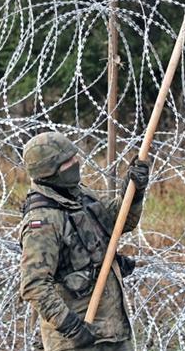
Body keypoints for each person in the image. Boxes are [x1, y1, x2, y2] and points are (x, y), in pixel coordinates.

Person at [19, 132, 149, 350]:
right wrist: (71, 327)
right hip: (79, 339)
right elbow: (34, 284)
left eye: (74, 157)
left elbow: (119, 222)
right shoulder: (42, 221)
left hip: (111, 328)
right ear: (48, 171)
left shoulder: (77, 194)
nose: (76, 162)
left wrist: (133, 193)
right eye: (67, 162)